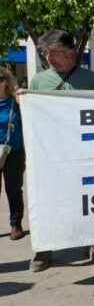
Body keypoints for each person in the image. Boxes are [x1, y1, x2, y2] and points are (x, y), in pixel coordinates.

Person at [24, 29, 94, 272]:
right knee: (48, 200)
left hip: (84, 152)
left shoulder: (90, 78)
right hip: (51, 155)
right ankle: (44, 248)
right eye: (45, 53)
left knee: (88, 197)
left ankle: (92, 242)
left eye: (54, 53)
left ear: (70, 52)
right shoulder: (39, 81)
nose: (48, 57)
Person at [0, 67, 25, 240]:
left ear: (6, 81)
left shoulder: (15, 101)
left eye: (0, 78)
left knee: (14, 189)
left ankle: (15, 224)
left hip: (14, 151)